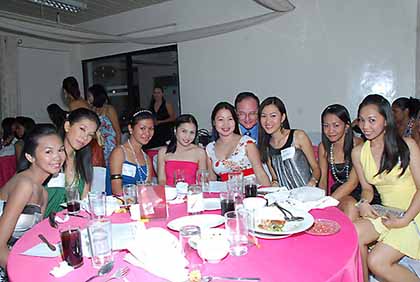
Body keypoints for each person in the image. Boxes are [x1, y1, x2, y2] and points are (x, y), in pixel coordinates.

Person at [353, 94, 420, 282]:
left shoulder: (407, 145)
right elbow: (367, 189)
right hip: (388, 212)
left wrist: (404, 220)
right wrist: (363, 203)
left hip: (414, 214)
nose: (366, 126)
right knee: (353, 234)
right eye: (362, 120)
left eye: (372, 120)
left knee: (377, 261)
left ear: (386, 121)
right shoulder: (358, 152)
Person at [0, 124, 65, 280]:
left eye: (61, 150)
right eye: (48, 152)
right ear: (30, 157)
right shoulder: (25, 185)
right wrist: (23, 275)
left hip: (16, 255)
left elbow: (33, 236)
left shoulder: (42, 192)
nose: (57, 157)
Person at [318, 104, 380, 221]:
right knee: (349, 205)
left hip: (363, 191)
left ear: (346, 126)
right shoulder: (324, 147)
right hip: (340, 192)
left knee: (352, 206)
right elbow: (323, 180)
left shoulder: (358, 144)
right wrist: (321, 202)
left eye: (336, 125)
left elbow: (352, 182)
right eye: (326, 126)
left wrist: (329, 201)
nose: (330, 130)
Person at [45, 108, 100, 217]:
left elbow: (85, 201)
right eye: (82, 129)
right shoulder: (49, 158)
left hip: (72, 222)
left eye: (90, 134)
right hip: (44, 224)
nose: (85, 137)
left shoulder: (83, 161)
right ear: (67, 126)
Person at [259, 97, 320, 189]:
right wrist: (273, 185)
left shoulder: (298, 136)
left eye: (273, 116)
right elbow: (275, 178)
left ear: (282, 117)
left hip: (307, 193)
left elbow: (316, 168)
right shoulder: (266, 146)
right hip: (285, 198)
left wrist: (313, 182)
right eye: (263, 116)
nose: (268, 121)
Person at [206, 102, 270, 185]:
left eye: (230, 119)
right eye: (221, 119)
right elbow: (212, 179)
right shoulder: (210, 148)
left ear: (235, 121)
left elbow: (261, 174)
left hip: (251, 191)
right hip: (227, 194)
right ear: (214, 122)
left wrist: (269, 194)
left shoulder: (247, 143)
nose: (226, 124)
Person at [106, 110, 154, 195]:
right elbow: (116, 191)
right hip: (118, 205)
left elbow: (148, 189)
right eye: (142, 128)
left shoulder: (147, 158)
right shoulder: (119, 153)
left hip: (139, 204)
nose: (147, 133)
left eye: (151, 129)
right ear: (130, 129)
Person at [157, 114, 207, 185]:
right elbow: (161, 181)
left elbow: (202, 181)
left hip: (192, 194)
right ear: (175, 130)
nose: (187, 136)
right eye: (184, 131)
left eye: (192, 132)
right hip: (169, 193)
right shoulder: (163, 152)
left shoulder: (200, 152)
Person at [87, 84, 121, 164]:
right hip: (100, 145)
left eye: (89, 96)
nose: (88, 98)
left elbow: (118, 130)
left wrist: (118, 148)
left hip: (111, 144)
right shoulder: (93, 110)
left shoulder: (109, 109)